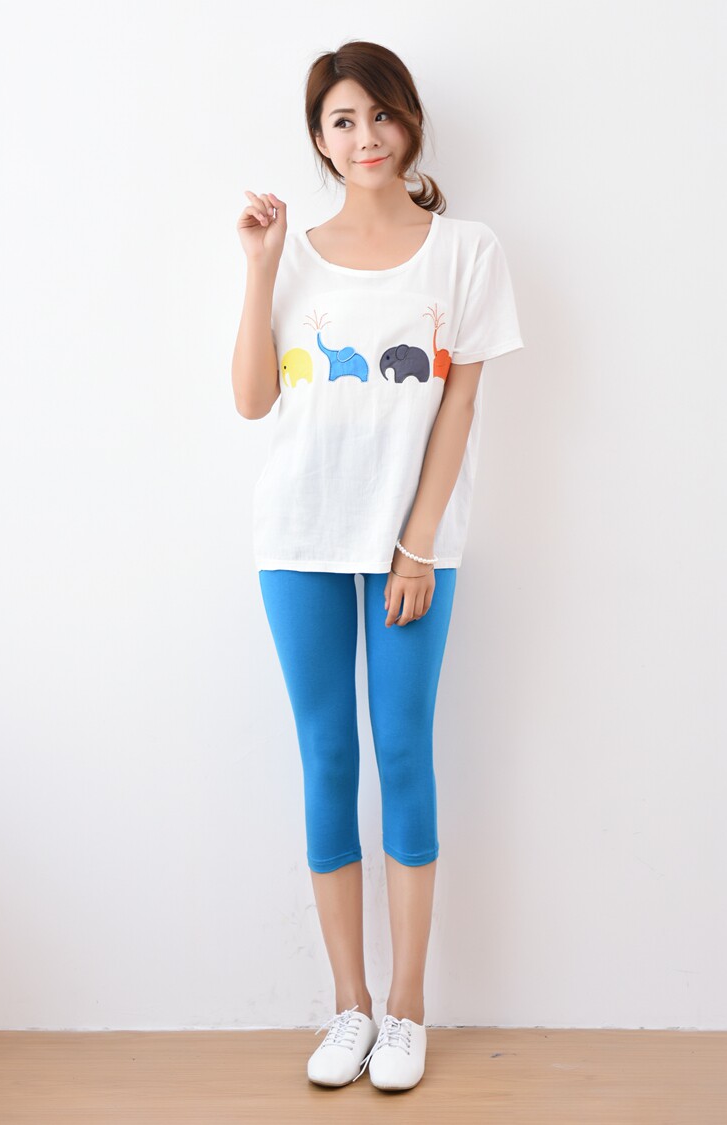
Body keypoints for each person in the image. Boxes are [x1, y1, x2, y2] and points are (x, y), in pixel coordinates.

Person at [231, 39, 523, 1092]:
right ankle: (348, 1004)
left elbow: (460, 404)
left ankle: (407, 1009)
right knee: (327, 759)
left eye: (381, 115)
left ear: (409, 122)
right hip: (299, 537)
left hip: (411, 549)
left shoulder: (466, 252)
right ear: (320, 139)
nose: (366, 138)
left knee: (402, 750)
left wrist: (416, 545)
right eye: (343, 121)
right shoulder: (293, 253)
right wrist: (261, 267)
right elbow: (253, 401)